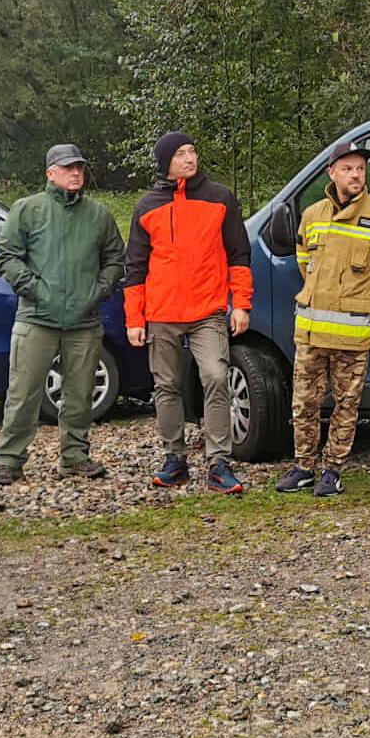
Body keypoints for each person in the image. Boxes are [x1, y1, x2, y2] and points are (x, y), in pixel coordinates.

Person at [272, 137, 370, 498]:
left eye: (360, 169)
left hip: (352, 334)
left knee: (346, 407)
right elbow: (305, 263)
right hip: (311, 333)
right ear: (331, 173)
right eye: (347, 168)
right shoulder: (312, 215)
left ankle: (332, 470)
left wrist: (362, 304)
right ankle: (304, 467)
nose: (355, 175)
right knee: (303, 403)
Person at [123, 131, 252, 495]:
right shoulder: (147, 206)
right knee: (166, 385)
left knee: (215, 376)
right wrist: (135, 318)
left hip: (208, 310)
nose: (189, 158)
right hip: (162, 311)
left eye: (193, 151)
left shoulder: (220, 197)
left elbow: (239, 254)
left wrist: (240, 303)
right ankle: (174, 458)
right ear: (165, 161)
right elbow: (134, 266)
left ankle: (219, 462)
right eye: (181, 153)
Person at [0, 144, 125, 483]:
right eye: (68, 168)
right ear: (50, 172)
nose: (76, 172)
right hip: (36, 318)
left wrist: (99, 291)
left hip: (84, 320)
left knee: (80, 394)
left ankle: (75, 457)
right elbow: (7, 256)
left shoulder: (99, 215)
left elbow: (115, 259)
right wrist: (34, 288)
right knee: (23, 392)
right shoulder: (26, 209)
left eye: (79, 167)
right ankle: (8, 460)